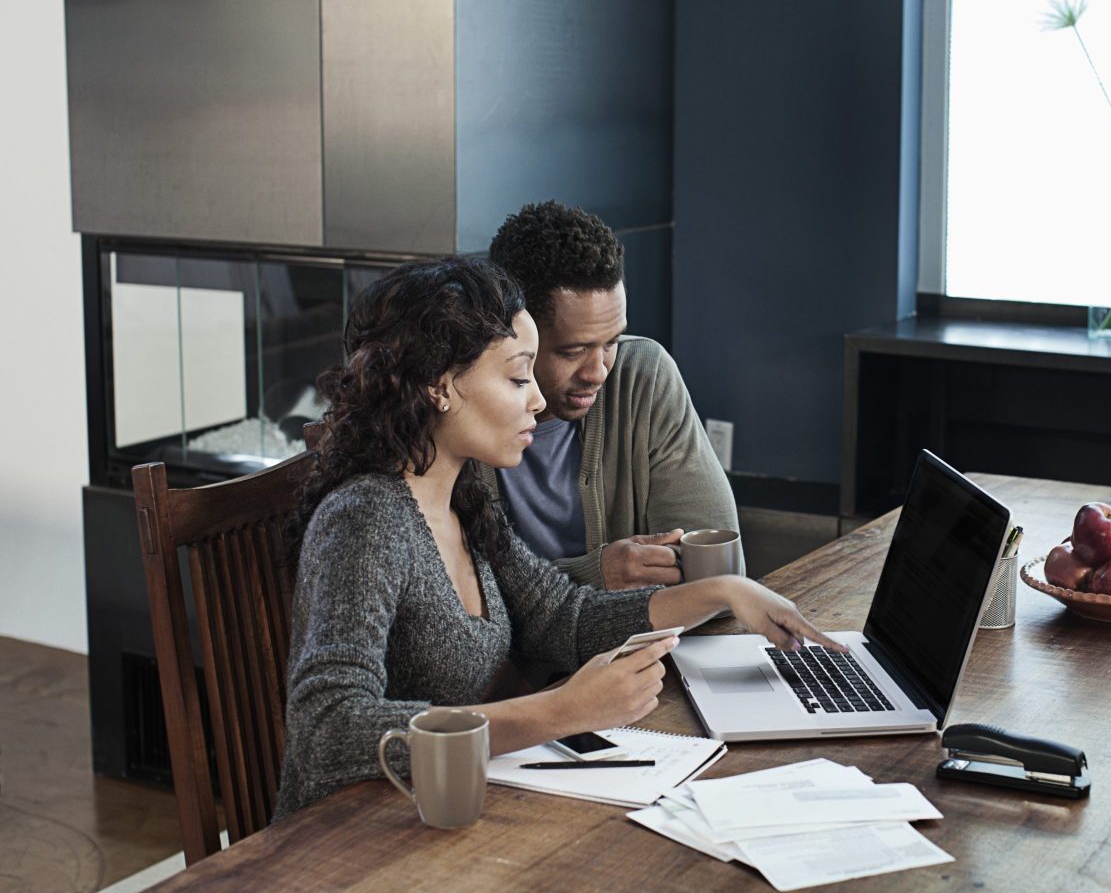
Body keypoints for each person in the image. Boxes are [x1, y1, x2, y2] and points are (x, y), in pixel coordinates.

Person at [273, 257, 837, 818]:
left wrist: (725, 592)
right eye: (519, 377)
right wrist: (560, 711)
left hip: (447, 814)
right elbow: (327, 729)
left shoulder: (460, 495)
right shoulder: (367, 520)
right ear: (440, 387)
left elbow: (562, 616)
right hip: (351, 842)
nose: (538, 401)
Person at [486, 200, 737, 591]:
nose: (598, 371)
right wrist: (594, 574)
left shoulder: (643, 375)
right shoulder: (457, 407)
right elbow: (453, 610)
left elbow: (714, 567)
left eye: (611, 341)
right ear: (513, 330)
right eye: (572, 352)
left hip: (641, 644)